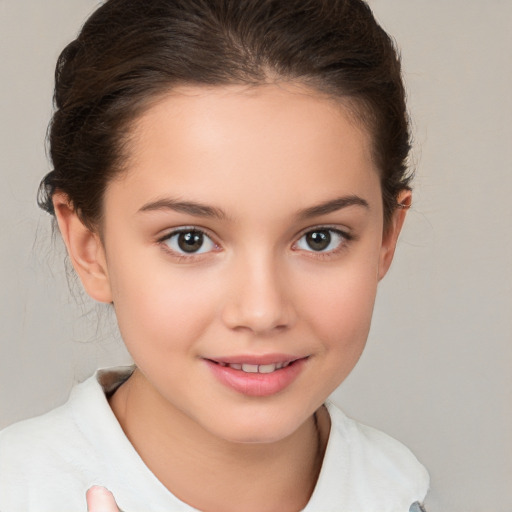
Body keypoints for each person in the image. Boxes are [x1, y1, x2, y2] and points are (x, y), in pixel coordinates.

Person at [0, 0, 430, 510]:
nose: (262, 311)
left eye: (320, 238)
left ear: (386, 238)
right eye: (189, 240)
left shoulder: (401, 489)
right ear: (90, 248)